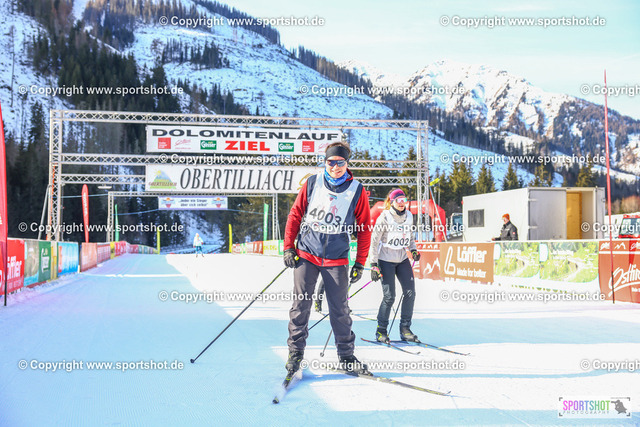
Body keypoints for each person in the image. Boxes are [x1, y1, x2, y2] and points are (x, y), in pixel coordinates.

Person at [283, 141, 372, 374]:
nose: (335, 167)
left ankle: (346, 356)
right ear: (325, 162)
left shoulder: (357, 190)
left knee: (340, 309)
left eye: (340, 162)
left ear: (347, 164)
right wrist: (288, 247)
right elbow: (295, 214)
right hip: (307, 254)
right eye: (331, 162)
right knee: (301, 305)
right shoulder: (313, 183)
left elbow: (364, 228)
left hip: (337, 258)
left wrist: (360, 262)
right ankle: (295, 353)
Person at [369, 188, 421, 344]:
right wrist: (373, 264)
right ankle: (381, 331)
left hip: (402, 258)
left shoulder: (409, 216)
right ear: (392, 202)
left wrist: (413, 249)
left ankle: (405, 329)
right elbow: (374, 241)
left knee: (410, 293)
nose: (402, 203)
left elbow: (410, 236)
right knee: (389, 296)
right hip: (385, 259)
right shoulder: (384, 217)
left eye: (404, 199)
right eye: (398, 200)